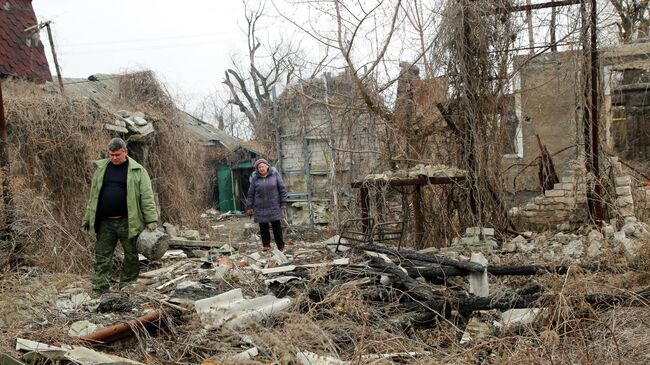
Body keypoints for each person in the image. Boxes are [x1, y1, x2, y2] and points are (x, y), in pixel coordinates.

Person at [83, 137, 158, 294]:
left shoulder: (138, 171)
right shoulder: (102, 169)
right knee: (102, 256)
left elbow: (146, 196)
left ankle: (127, 287)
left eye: (117, 155)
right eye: (111, 154)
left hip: (129, 222)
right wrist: (88, 218)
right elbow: (94, 196)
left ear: (125, 152)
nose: (114, 158)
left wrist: (151, 219)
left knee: (131, 256)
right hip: (105, 223)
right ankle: (100, 288)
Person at [246, 158, 289, 252]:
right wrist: (249, 207)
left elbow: (282, 189)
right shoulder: (255, 178)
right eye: (259, 167)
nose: (261, 168)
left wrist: (284, 202)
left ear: (267, 166)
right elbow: (250, 193)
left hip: (274, 205)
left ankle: (281, 246)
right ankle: (266, 245)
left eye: (263, 166)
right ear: (257, 169)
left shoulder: (275, 175)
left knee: (276, 226)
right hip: (260, 206)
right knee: (263, 227)